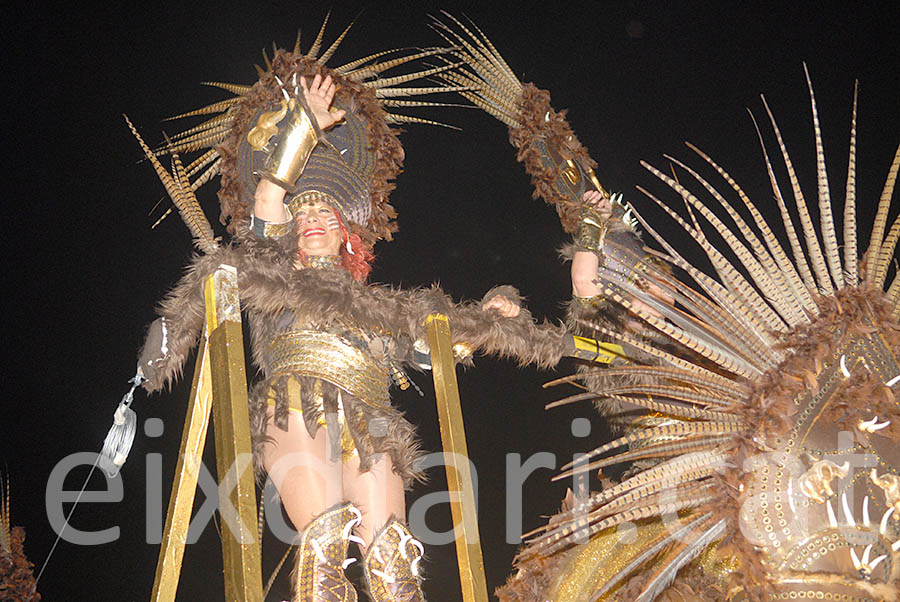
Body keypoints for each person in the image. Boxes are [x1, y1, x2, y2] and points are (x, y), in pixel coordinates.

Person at [135, 50, 568, 602]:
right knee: (324, 546)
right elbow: (267, 201)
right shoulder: (273, 272)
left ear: (348, 234)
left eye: (324, 214)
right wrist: (303, 127)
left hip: (372, 422)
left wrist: (493, 315)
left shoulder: (379, 308)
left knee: (394, 563)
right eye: (303, 213)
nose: (311, 220)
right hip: (299, 401)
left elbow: (432, 342)